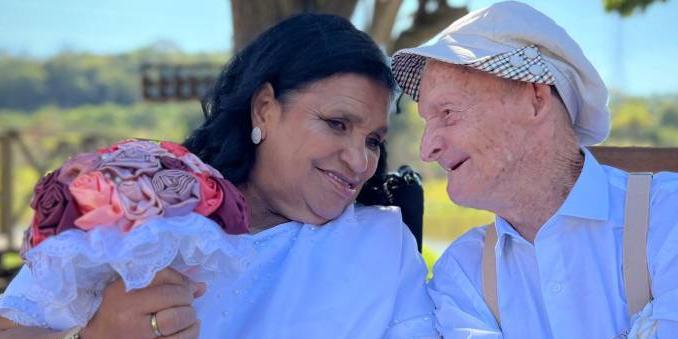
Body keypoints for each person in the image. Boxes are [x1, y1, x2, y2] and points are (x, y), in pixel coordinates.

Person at [0, 14, 437, 339]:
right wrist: (93, 336)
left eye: (374, 141)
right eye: (337, 124)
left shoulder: (380, 244)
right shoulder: (141, 204)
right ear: (264, 108)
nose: (360, 161)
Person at [391, 1, 678, 338]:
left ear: (536, 98)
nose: (427, 150)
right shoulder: (461, 272)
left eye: (448, 112)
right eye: (428, 121)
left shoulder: (669, 216)